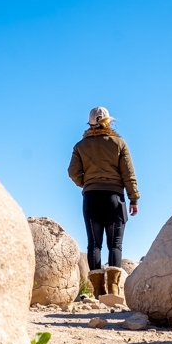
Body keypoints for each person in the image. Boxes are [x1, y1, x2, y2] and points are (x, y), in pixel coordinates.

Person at [68, 106, 139, 300]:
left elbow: (73, 172)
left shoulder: (80, 146)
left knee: (94, 244)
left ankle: (99, 291)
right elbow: (128, 174)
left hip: (91, 198)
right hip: (114, 198)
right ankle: (114, 290)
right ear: (110, 121)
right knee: (115, 244)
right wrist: (134, 198)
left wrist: (87, 183)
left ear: (90, 123)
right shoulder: (119, 143)